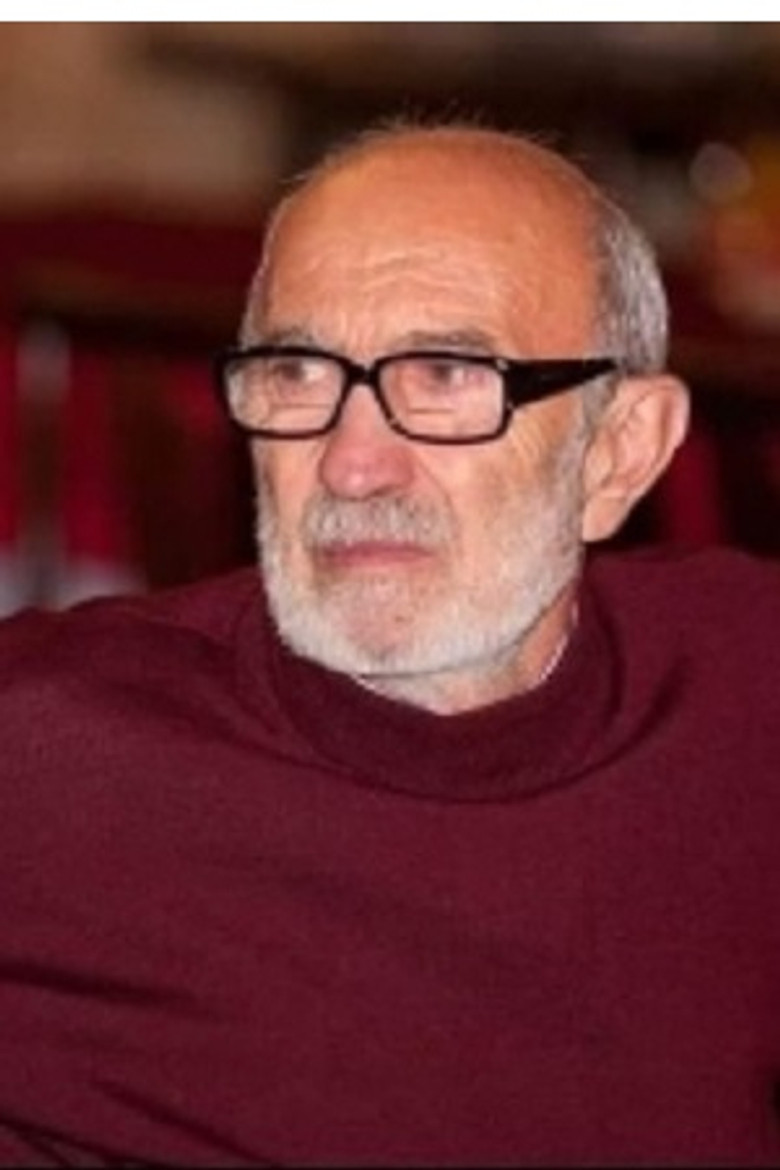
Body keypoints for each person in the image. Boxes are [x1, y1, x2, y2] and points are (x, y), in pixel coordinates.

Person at [1, 120, 779, 1167]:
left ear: (619, 452)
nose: (352, 463)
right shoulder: (48, 754)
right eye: (298, 371)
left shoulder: (743, 687)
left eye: (448, 375)